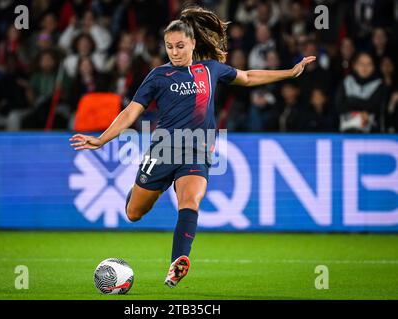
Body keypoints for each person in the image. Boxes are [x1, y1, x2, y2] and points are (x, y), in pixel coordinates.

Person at [69, 6, 315, 288]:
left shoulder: (210, 69)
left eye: (180, 46)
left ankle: (177, 263)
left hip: (197, 150)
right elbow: (130, 113)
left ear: (193, 44)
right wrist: (101, 139)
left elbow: (247, 77)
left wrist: (290, 72)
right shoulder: (158, 76)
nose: (174, 51)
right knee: (134, 213)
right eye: (169, 46)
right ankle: (143, 187)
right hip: (162, 151)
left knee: (190, 201)